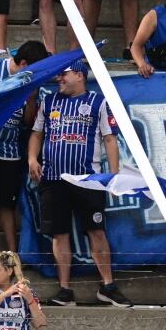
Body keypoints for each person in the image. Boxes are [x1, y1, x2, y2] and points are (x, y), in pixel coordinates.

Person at [30, 64, 127, 306]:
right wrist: (32, 158)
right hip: (53, 179)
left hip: (89, 180)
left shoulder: (99, 102)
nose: (58, 77)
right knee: (59, 233)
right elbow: (36, 133)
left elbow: (110, 138)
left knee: (97, 231)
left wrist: (112, 176)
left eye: (64, 74)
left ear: (80, 75)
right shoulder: (49, 101)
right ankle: (65, 290)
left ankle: (108, 286)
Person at [0, 40, 49, 259]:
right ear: (23, 63)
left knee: (7, 203)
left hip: (11, 152)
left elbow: (27, 122)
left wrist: (32, 97)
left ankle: (12, 251)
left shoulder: (31, 83)